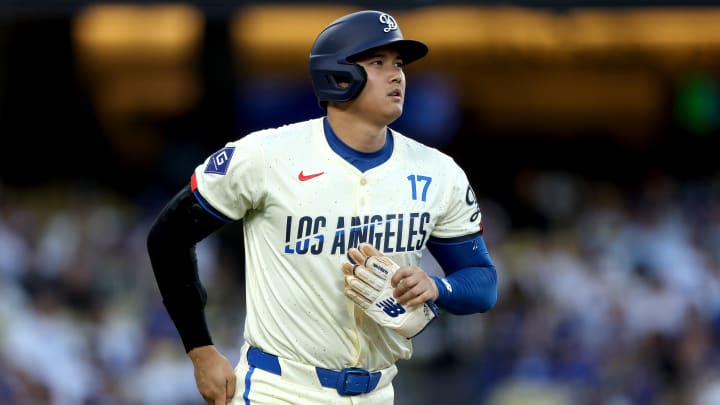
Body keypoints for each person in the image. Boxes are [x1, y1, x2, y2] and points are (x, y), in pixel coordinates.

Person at [146, 9, 498, 405]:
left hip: (379, 392)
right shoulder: (266, 156)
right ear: (338, 74)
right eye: (378, 62)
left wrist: (438, 287)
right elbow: (168, 237)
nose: (397, 74)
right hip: (281, 389)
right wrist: (200, 349)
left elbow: (482, 282)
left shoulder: (438, 171)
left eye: (398, 64)